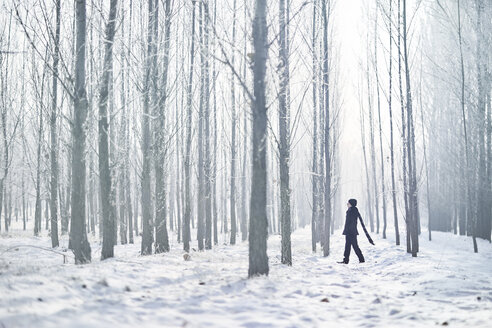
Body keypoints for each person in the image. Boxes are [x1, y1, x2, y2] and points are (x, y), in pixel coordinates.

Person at [338, 199, 365, 264]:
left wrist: (349, 231)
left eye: (348, 203)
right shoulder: (351, 210)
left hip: (351, 232)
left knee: (354, 246)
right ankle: (346, 260)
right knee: (348, 246)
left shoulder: (352, 211)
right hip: (350, 232)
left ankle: (361, 259)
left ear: (351, 204)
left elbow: (352, 222)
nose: (347, 204)